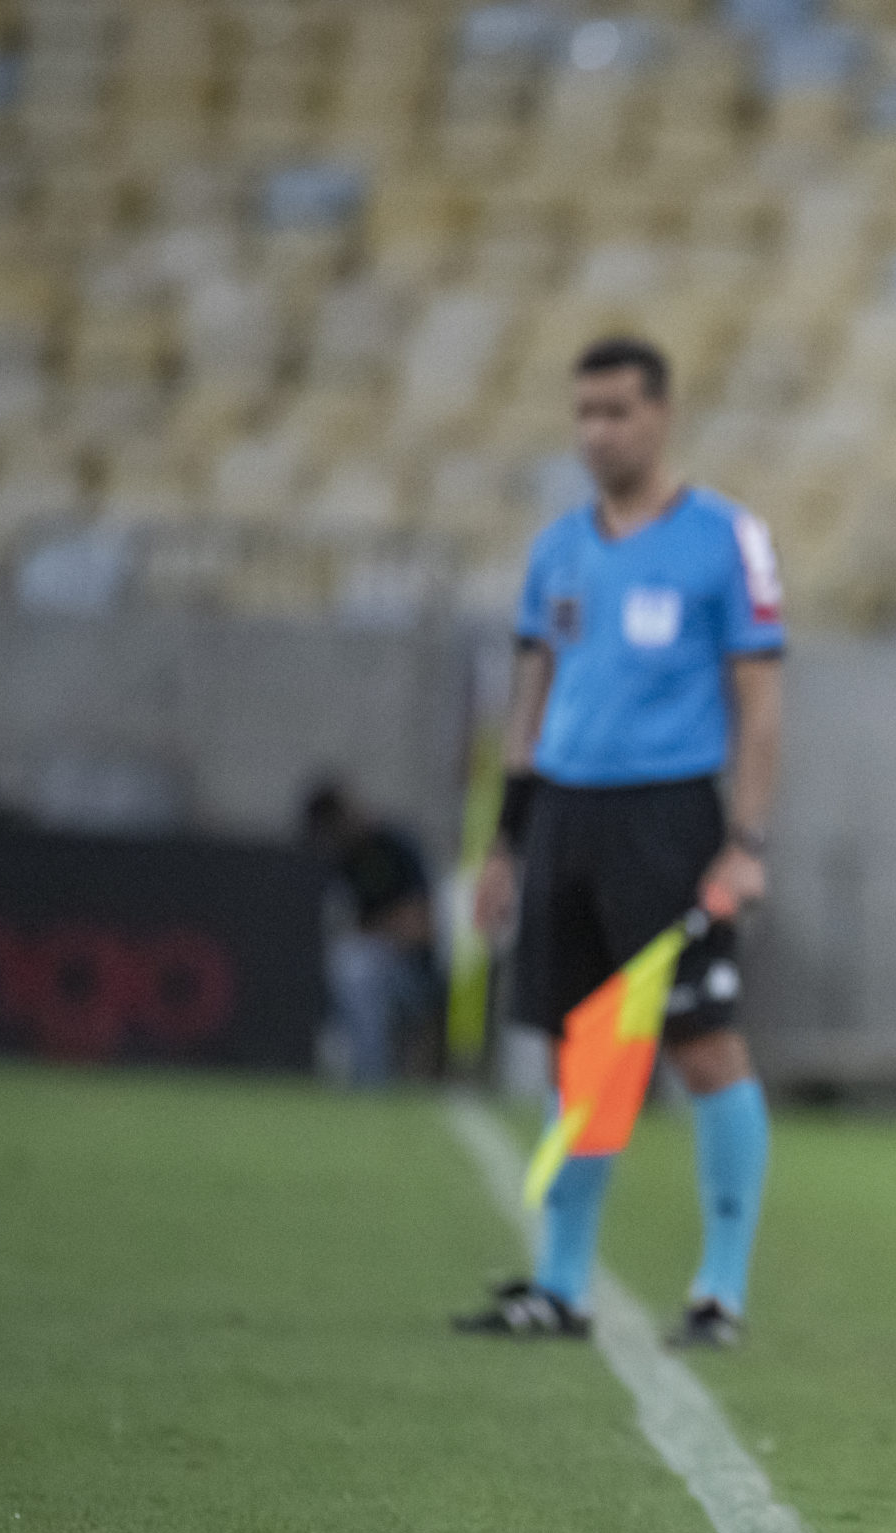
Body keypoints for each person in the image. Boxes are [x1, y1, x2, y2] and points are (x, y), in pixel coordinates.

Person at [457, 336, 787, 1349]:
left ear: (662, 416)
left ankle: (719, 1291)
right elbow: (530, 699)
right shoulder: (557, 548)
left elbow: (760, 699)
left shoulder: (725, 539)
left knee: (702, 1046)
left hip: (670, 820)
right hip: (565, 816)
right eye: (585, 414)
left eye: (617, 412)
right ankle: (560, 1284)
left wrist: (744, 839)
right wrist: (507, 844)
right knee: (580, 1052)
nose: (599, 432)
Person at [301, 779, 443, 1086]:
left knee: (355, 966)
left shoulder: (395, 847)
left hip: (412, 974)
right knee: (344, 964)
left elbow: (421, 926)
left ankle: (371, 1079)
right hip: (363, 969)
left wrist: (371, 931)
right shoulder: (340, 862)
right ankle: (338, 1064)